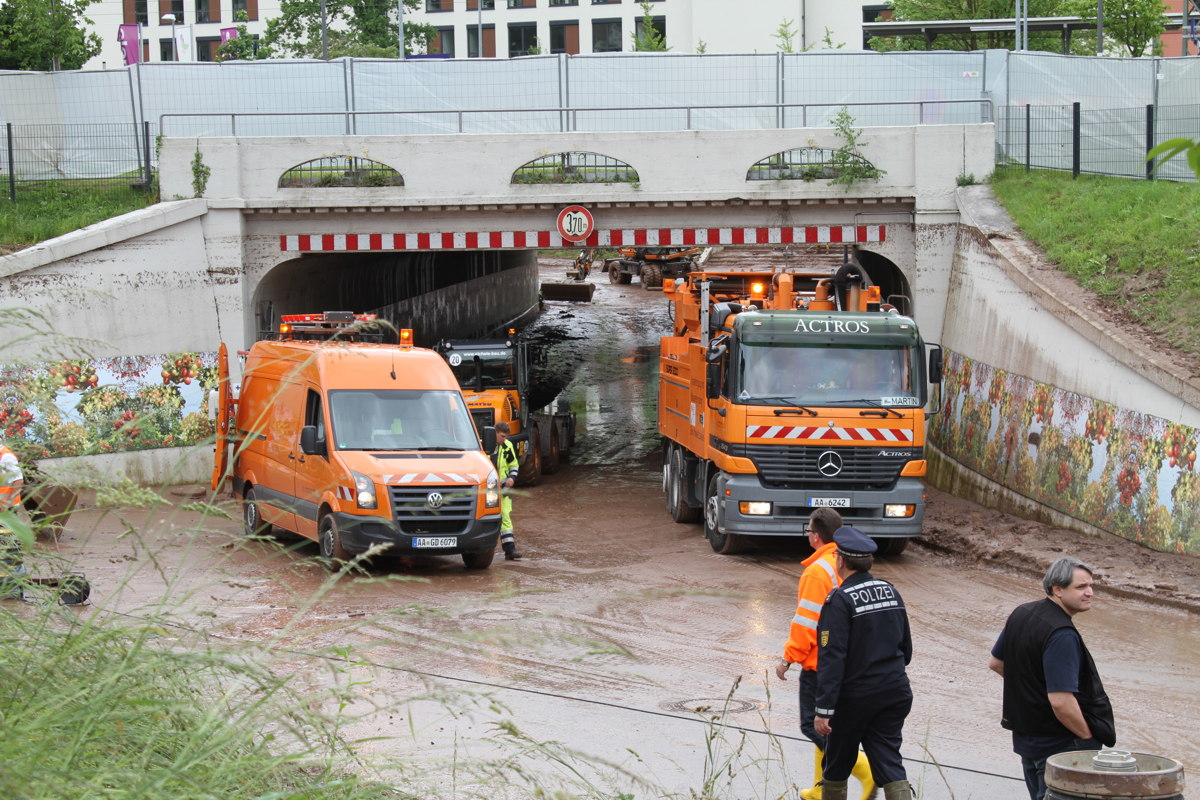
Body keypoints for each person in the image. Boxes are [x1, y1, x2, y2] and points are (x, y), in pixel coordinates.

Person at [988, 557, 1115, 800]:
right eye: (1080, 587)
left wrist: (1033, 691)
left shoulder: (1021, 613)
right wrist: (1086, 739)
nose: (1090, 593)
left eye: (1091, 585)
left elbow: (996, 663)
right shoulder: (1062, 635)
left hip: (1028, 741)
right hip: (1061, 748)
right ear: (1057, 590)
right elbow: (1060, 701)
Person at [776, 509, 876, 800]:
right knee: (828, 727)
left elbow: (807, 622)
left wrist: (788, 658)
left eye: (808, 531)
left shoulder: (816, 572)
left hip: (820, 665)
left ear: (816, 536)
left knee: (812, 724)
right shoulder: (844, 563)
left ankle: (866, 770)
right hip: (847, 661)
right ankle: (822, 789)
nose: (808, 535)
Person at [813, 527, 914, 800]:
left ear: (841, 561)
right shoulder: (890, 591)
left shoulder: (839, 600)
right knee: (888, 761)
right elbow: (906, 648)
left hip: (855, 699)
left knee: (836, 766)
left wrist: (824, 709)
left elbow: (832, 658)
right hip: (895, 692)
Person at [493, 421, 523, 560]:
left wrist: (512, 477)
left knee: (505, 517)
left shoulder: (507, 446)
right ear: (495, 433)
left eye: (505, 437)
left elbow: (514, 464)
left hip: (503, 489)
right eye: (502, 436)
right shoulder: (483, 445)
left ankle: (510, 550)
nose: (504, 439)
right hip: (487, 489)